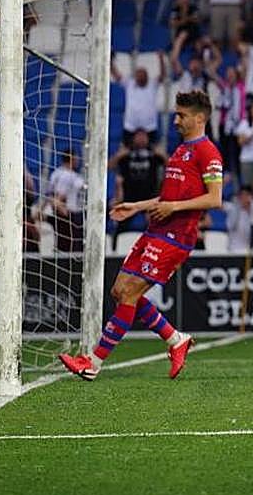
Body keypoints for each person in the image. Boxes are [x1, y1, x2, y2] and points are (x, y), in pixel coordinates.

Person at [59, 90, 223, 381]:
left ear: (199, 118)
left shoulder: (208, 152)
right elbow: (167, 197)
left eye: (181, 115)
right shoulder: (180, 151)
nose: (175, 120)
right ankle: (176, 340)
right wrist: (137, 206)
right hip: (156, 230)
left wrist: (174, 207)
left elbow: (214, 199)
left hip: (176, 237)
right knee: (119, 291)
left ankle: (92, 363)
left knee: (131, 293)